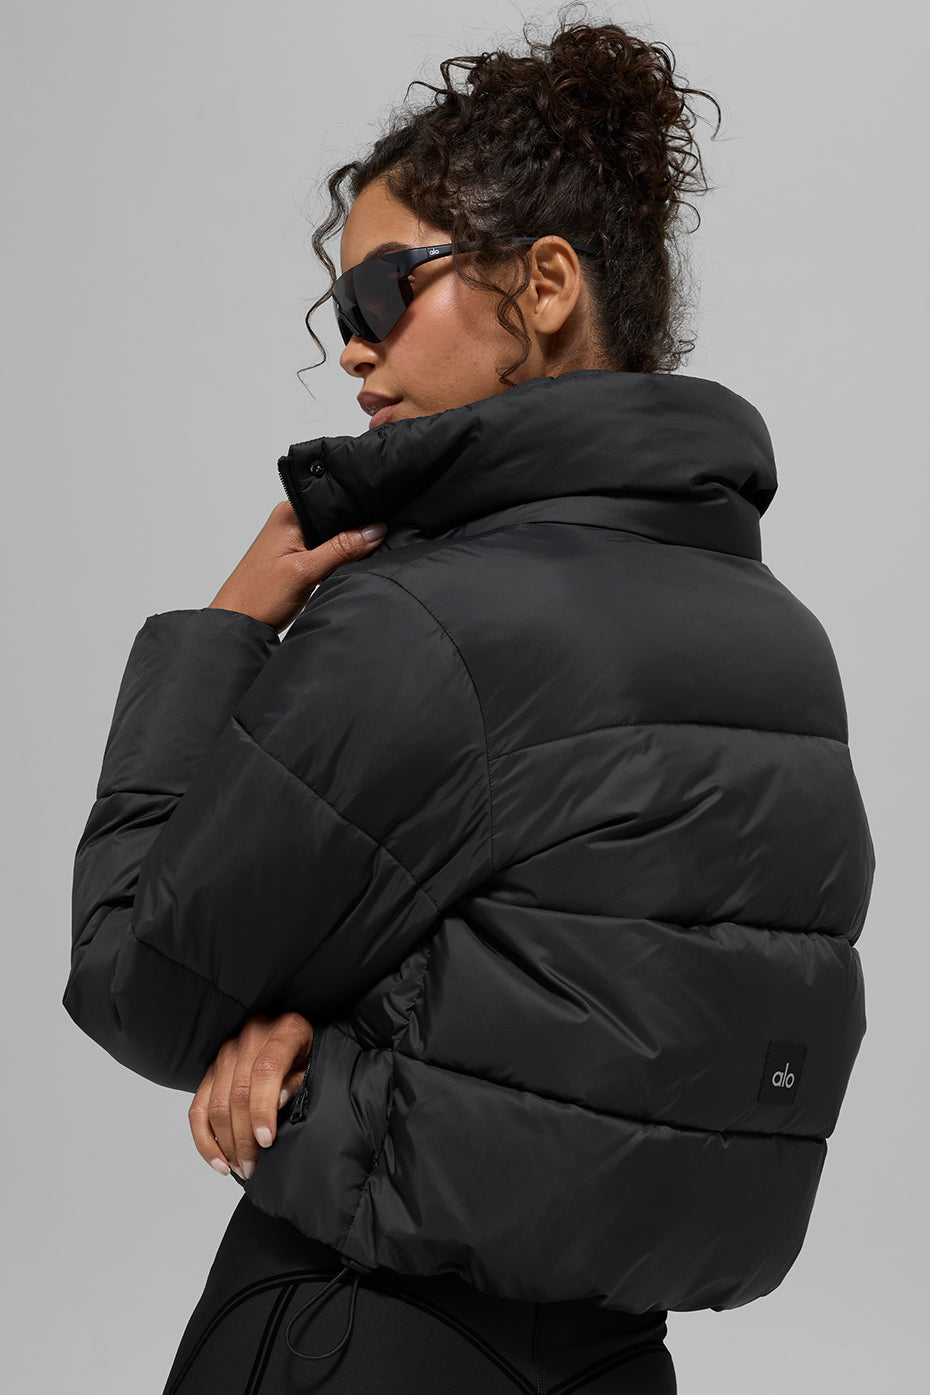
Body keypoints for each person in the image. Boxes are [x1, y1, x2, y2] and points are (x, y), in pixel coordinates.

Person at [62, 9, 874, 1394]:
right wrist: (347, 1042)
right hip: (619, 1359)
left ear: (543, 284)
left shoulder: (429, 622)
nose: (353, 352)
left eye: (383, 294)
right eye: (340, 317)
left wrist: (226, 627)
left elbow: (140, 982)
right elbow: (604, 1016)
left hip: (360, 1332)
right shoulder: (783, 640)